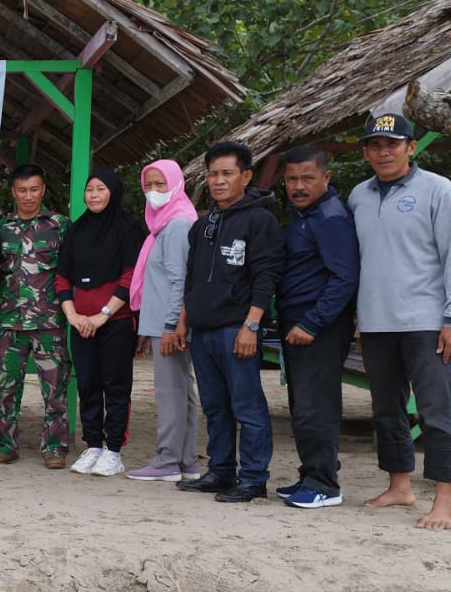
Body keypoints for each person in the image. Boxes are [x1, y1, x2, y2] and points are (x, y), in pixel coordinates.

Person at [347, 113, 451, 530]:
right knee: (386, 410)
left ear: (411, 147)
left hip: (428, 322)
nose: (384, 152)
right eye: (375, 146)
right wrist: (361, 320)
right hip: (378, 323)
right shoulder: (359, 196)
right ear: (366, 151)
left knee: (437, 412)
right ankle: (399, 485)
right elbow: (362, 262)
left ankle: (444, 502)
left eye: (393, 144)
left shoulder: (438, 190)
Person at [175, 141, 284, 502]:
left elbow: (266, 277)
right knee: (215, 407)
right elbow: (192, 279)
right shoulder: (203, 223)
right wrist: (182, 323)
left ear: (246, 176)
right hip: (203, 331)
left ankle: (253, 478)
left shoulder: (260, 220)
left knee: (247, 406)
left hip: (237, 330)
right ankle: (220, 472)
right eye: (213, 174)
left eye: (227, 173)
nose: (218, 181)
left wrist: (251, 326)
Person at [275, 145, 359, 508]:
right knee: (300, 405)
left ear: (326, 177)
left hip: (319, 327)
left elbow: (345, 277)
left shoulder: (331, 217)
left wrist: (312, 321)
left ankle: (325, 484)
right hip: (297, 323)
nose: (298, 185)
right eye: (292, 178)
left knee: (316, 407)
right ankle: (310, 474)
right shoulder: (303, 216)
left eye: (307, 177)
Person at [0, 164, 71, 469]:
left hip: (49, 323)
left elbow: (70, 269)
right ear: (12, 192)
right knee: (6, 389)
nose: (28, 196)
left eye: (34, 189)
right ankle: (5, 444)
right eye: (22, 190)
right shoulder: (1, 228)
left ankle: (55, 448)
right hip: (10, 322)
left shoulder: (59, 225)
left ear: (43, 190)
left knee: (55, 389)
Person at [58, 169, 140, 478]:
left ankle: (114, 449)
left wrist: (102, 315)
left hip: (116, 321)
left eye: (100, 189)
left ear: (113, 193)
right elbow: (62, 276)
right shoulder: (76, 231)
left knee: (116, 386)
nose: (93, 194)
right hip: (81, 325)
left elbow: (131, 276)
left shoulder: (128, 229)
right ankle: (93, 445)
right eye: (89, 189)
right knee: (88, 384)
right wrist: (73, 316)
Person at [127, 160, 201, 482]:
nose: (154, 192)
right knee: (180, 390)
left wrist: (171, 325)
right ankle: (185, 462)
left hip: (168, 325)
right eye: (148, 185)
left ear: (176, 184)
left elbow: (179, 279)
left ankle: (167, 460)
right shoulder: (162, 226)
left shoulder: (177, 225)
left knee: (170, 391)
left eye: (161, 185)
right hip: (163, 322)